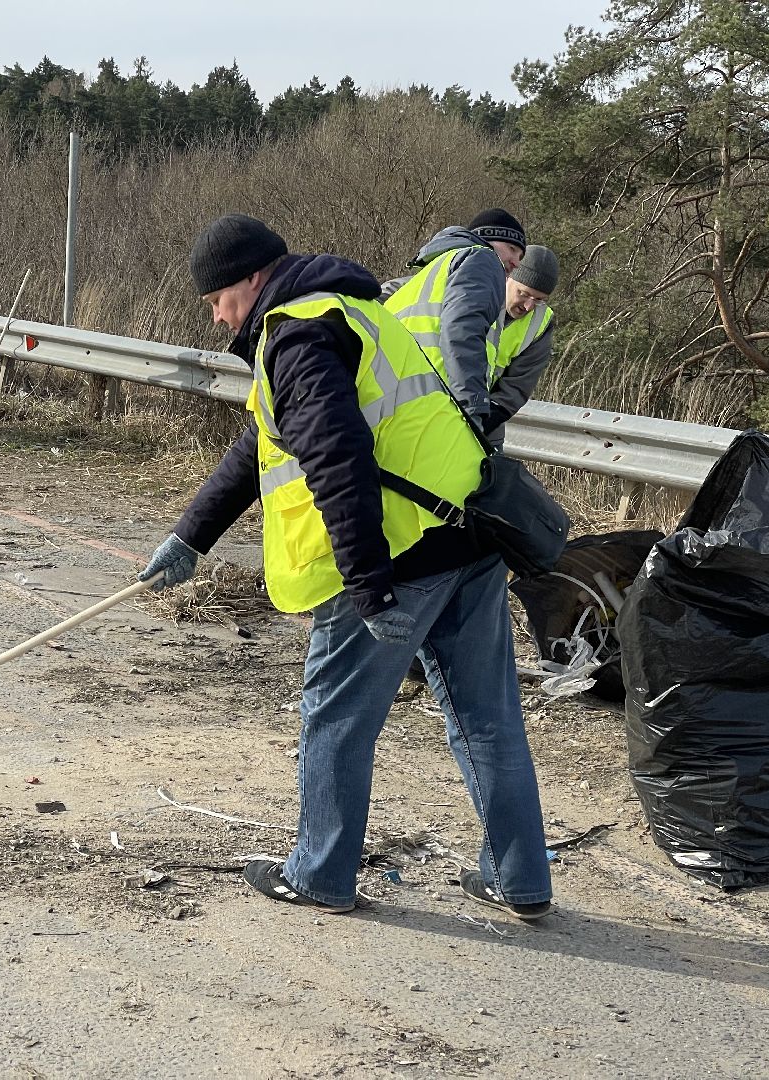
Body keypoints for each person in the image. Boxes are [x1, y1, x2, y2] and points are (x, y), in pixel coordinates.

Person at [140, 214, 553, 921]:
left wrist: (365, 585)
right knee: (486, 719)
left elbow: (337, 459)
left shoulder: (297, 333)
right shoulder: (350, 310)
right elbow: (264, 440)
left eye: (217, 299)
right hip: (467, 532)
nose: (215, 316)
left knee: (335, 717)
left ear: (251, 278)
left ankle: (320, 873)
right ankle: (520, 880)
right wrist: (191, 536)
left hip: (399, 550)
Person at [382, 208, 526, 435]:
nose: (516, 262)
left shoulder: (427, 273)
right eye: (512, 249)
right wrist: (473, 409)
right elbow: (462, 334)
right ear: (488, 237)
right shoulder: (482, 258)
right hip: (438, 409)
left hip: (392, 406)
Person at [486, 245, 559, 447]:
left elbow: (517, 386)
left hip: (487, 421)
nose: (528, 306)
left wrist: (482, 422)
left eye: (539, 300)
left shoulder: (541, 323)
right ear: (507, 277)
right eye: (523, 294)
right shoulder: (475, 295)